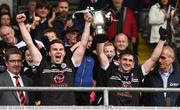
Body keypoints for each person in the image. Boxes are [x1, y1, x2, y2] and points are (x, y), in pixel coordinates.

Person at [16, 11, 92, 105]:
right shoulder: (43, 64)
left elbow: (83, 44)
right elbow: (29, 43)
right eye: (55, 49)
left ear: (64, 52)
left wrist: (88, 23)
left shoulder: (71, 63)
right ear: (49, 52)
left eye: (61, 49)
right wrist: (21, 24)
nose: (58, 51)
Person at [95, 27, 166, 105]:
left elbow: (153, 59)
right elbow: (101, 53)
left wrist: (162, 39)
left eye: (130, 60)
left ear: (133, 64)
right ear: (119, 61)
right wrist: (100, 33)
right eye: (124, 59)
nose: (127, 63)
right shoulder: (110, 70)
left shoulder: (138, 73)